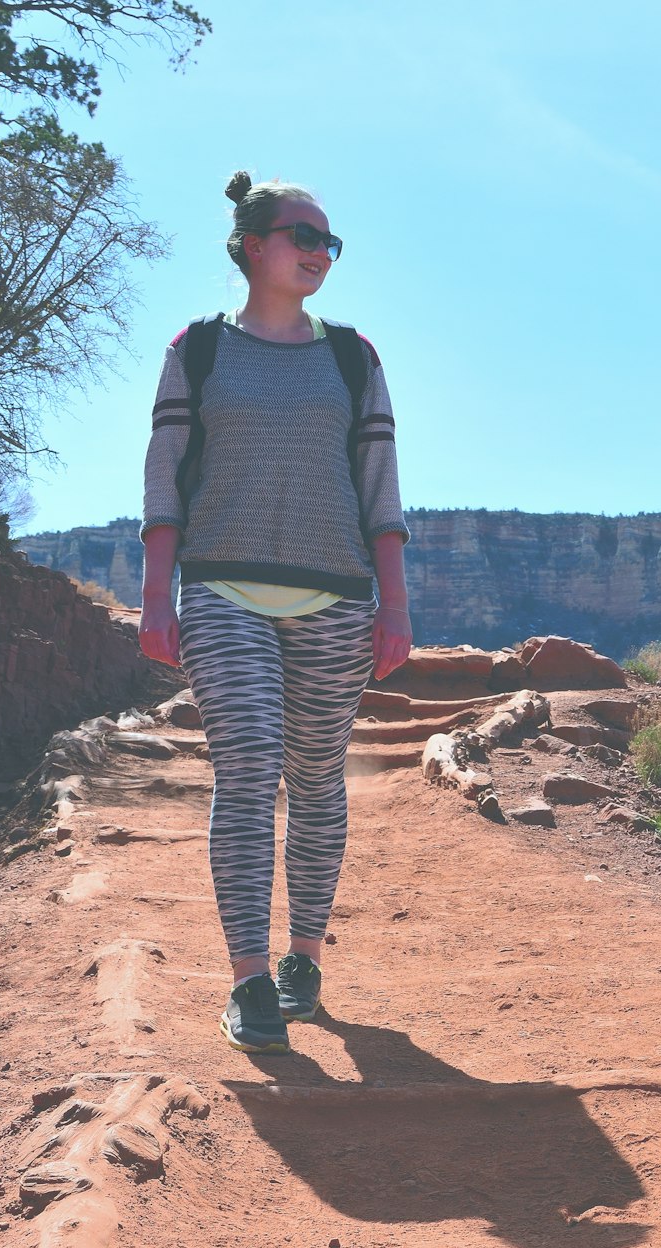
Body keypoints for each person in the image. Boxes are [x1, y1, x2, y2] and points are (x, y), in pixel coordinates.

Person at [137, 170, 413, 1053]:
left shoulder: (352, 357)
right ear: (254, 245)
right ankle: (250, 978)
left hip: (336, 595)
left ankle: (303, 956)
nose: (320, 254)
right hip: (221, 588)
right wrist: (155, 591)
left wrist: (396, 604)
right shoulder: (200, 350)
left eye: (331, 242)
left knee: (318, 777)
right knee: (250, 762)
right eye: (305, 237)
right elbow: (164, 473)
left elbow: (380, 486)